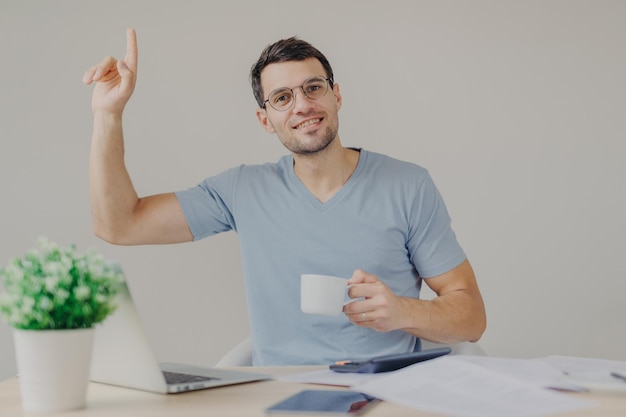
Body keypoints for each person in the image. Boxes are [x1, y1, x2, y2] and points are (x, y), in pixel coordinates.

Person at [82, 29, 486, 365]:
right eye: (282, 97)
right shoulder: (241, 190)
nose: (303, 105)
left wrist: (402, 311)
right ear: (265, 119)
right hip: (275, 397)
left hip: (385, 395)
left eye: (314, 88)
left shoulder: (408, 185)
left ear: (336, 95)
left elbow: (471, 317)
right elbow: (119, 224)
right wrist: (108, 115)